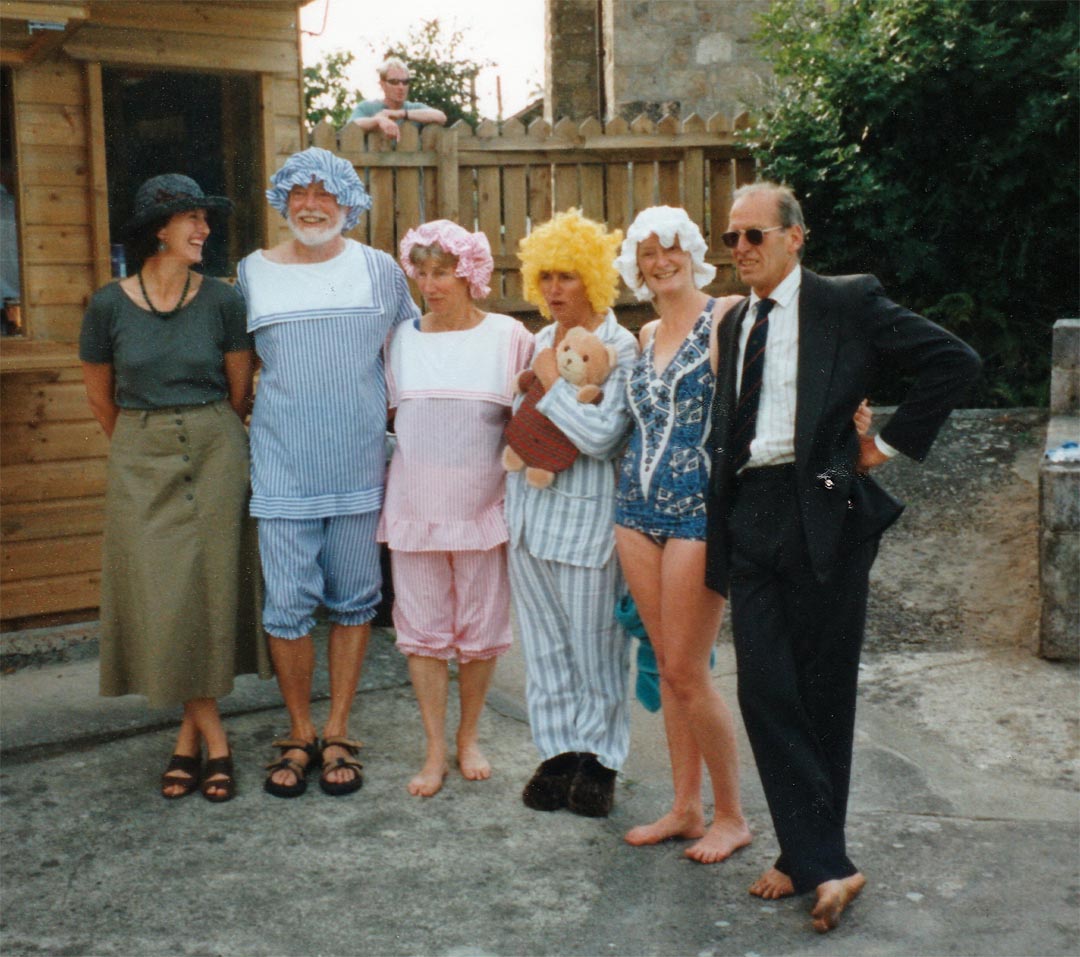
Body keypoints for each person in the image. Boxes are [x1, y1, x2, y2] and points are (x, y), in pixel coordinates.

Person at [705, 182, 981, 931]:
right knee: (765, 689)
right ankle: (822, 857)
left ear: (795, 237)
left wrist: (880, 446)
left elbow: (953, 361)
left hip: (824, 501)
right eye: (731, 238)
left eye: (754, 235)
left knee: (823, 692)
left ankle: (810, 857)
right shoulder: (735, 322)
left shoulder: (846, 301)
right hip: (750, 511)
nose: (740, 249)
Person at [238, 147, 420, 798]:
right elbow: (238, 371)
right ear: (282, 200)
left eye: (325, 194)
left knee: (354, 601)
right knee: (286, 606)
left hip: (359, 465)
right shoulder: (252, 272)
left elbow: (410, 356)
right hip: (282, 468)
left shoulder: (380, 270)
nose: (311, 205)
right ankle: (298, 731)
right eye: (299, 192)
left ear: (349, 203)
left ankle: (339, 728)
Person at [80, 173, 268, 803]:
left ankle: (192, 743)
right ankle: (213, 737)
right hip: (140, 457)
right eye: (192, 218)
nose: (204, 229)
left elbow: (239, 391)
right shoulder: (107, 307)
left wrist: (207, 433)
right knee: (167, 595)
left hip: (216, 452)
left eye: (205, 218)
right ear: (159, 230)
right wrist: (145, 443)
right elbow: (101, 401)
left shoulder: (223, 301)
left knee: (209, 592)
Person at [612, 206, 751, 862]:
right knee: (665, 666)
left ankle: (733, 816)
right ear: (636, 267)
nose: (661, 261)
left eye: (671, 249)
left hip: (698, 512)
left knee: (689, 669)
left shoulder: (724, 317)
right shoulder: (643, 335)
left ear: (692, 253)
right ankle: (685, 807)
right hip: (634, 511)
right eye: (648, 253)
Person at [382, 220, 534, 797]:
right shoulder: (400, 340)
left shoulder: (509, 338)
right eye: (420, 272)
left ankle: (469, 737)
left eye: (442, 272)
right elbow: (391, 420)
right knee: (421, 633)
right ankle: (434, 748)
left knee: (479, 631)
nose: (429, 285)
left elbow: (532, 423)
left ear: (469, 273)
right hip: (414, 510)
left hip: (482, 513)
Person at [508, 208, 638, 818]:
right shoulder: (539, 342)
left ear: (594, 279)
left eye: (567, 276)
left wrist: (552, 385)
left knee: (596, 648)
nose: (554, 289)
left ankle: (601, 760)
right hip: (528, 520)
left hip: (586, 526)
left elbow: (603, 436)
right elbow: (522, 426)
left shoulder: (620, 347)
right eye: (546, 276)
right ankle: (558, 753)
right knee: (545, 647)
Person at [347, 57, 447, 141]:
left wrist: (400, 114)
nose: (401, 87)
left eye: (405, 82)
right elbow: (350, 126)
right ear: (382, 84)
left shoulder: (414, 108)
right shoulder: (367, 107)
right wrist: (378, 120)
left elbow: (441, 117)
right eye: (394, 82)